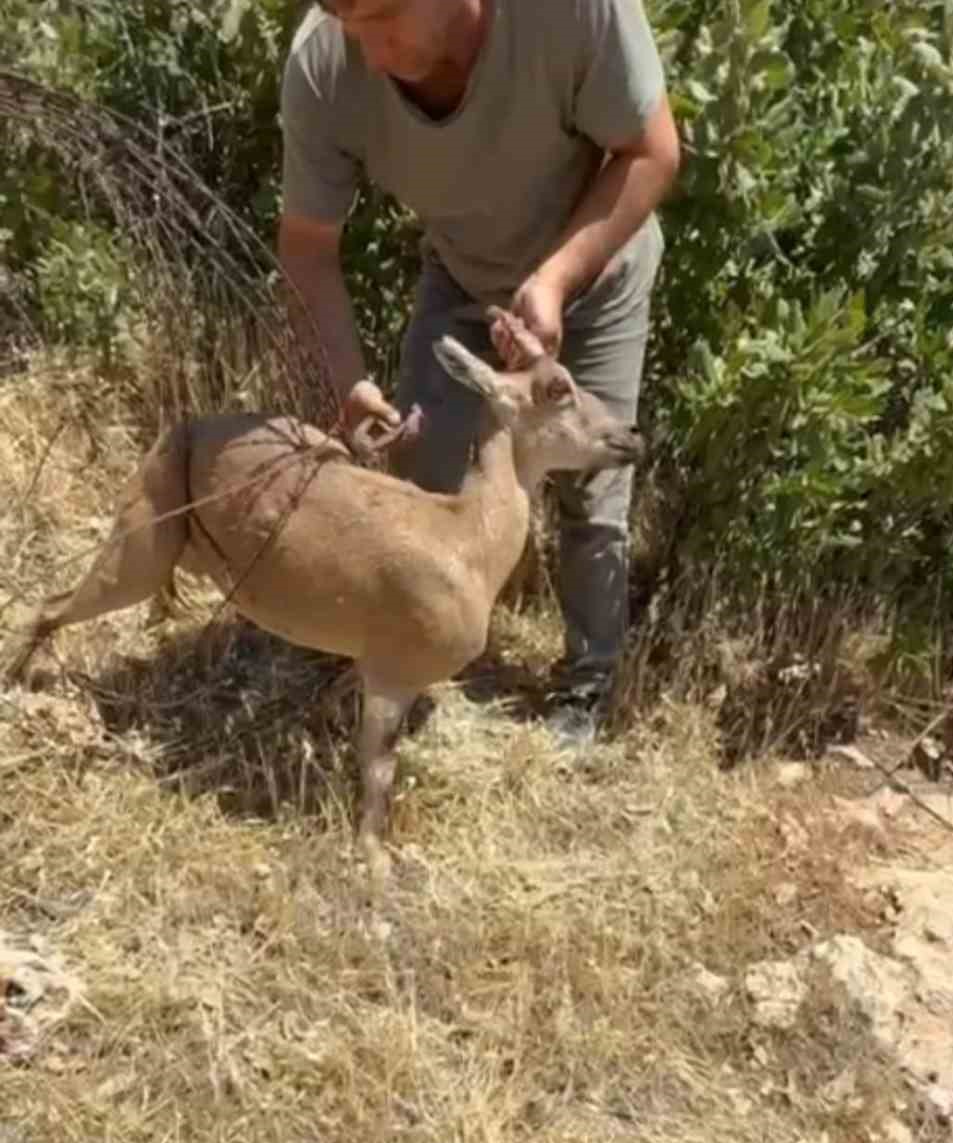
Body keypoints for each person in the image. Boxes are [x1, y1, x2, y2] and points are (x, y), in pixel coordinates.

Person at [278, 0, 681, 741]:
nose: (369, 53)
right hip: (464, 278)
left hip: (597, 272)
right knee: (423, 476)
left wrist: (556, 281)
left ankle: (584, 694)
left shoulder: (570, 14)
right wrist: (348, 384)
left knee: (592, 495)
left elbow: (652, 153)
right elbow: (307, 249)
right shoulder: (325, 58)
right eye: (352, 26)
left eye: (386, 20)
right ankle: (410, 659)